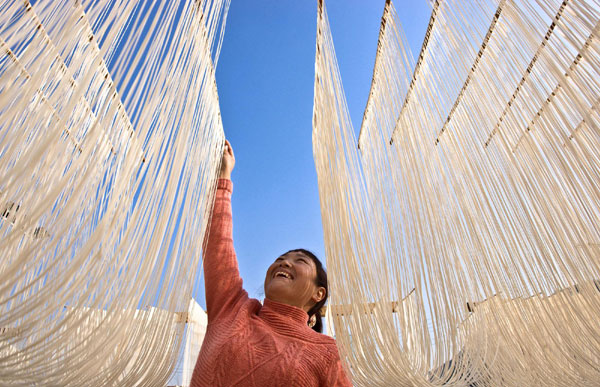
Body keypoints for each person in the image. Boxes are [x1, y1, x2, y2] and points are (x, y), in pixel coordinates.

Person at [191, 141, 352, 386]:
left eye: (299, 260)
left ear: (319, 293)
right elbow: (218, 245)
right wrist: (223, 178)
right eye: (280, 260)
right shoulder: (232, 309)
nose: (284, 263)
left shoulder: (329, 354)